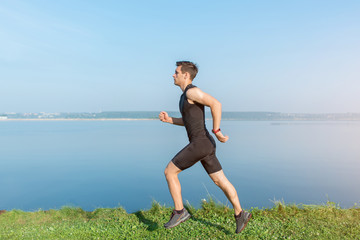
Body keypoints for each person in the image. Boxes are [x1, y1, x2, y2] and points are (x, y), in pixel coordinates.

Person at [159, 61, 251, 233]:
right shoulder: (184, 96)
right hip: (205, 144)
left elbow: (216, 104)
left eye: (176, 72)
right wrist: (169, 120)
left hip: (201, 143)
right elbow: (188, 123)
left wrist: (217, 129)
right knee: (220, 180)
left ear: (185, 75)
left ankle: (180, 211)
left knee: (169, 172)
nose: (173, 75)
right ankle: (240, 214)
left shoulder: (192, 91)